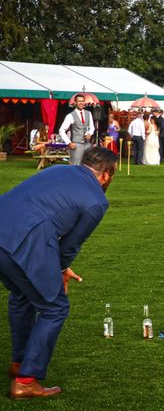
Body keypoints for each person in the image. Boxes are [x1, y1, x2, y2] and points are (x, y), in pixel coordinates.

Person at [0, 147, 117, 400]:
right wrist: (61, 269)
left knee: (22, 294)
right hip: (26, 241)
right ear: (107, 174)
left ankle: (19, 363)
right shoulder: (97, 201)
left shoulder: (58, 169)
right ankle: (25, 381)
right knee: (55, 307)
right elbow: (71, 245)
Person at [59, 94, 95, 165]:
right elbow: (61, 130)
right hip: (76, 145)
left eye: (82, 101)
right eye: (79, 101)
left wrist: (90, 133)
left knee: (88, 166)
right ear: (75, 102)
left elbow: (92, 127)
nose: (81, 103)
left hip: (87, 144)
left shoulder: (89, 113)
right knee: (75, 166)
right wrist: (69, 142)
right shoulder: (70, 116)